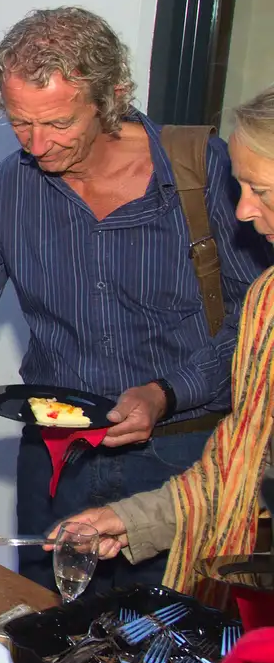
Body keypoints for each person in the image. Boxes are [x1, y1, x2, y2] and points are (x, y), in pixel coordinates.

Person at [0, 7, 269, 591]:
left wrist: (166, 392)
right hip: (57, 461)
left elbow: (255, 329)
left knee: (160, 653)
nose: (37, 145)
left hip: (182, 462)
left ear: (110, 98)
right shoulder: (7, 191)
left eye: (56, 123)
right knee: (44, 630)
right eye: (19, 124)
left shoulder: (206, 175)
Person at [47, 87, 274, 589]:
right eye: (241, 188)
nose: (242, 212)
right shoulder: (267, 302)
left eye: (262, 191)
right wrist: (128, 519)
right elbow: (237, 478)